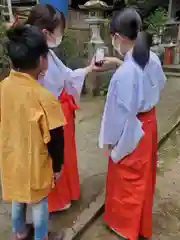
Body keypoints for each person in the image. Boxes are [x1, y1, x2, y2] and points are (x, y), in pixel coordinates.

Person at [25, 4, 104, 213]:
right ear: (45, 32)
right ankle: (54, 202)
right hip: (50, 115)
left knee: (63, 155)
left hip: (62, 112)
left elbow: (67, 75)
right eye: (58, 29)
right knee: (53, 157)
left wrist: (88, 69)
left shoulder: (47, 53)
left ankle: (65, 194)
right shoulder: (35, 59)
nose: (61, 34)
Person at [98, 8, 167, 240]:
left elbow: (116, 114)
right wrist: (121, 62)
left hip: (131, 127)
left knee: (125, 176)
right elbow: (159, 82)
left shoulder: (123, 75)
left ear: (118, 37)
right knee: (142, 175)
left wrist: (110, 141)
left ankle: (124, 225)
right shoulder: (153, 57)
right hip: (149, 122)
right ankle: (139, 224)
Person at [0, 25, 66, 239]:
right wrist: (57, 166)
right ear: (41, 60)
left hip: (11, 160)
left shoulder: (3, 88)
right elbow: (56, 138)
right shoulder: (45, 97)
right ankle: (41, 236)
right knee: (39, 204)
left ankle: (19, 233)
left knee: (17, 199)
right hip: (35, 165)